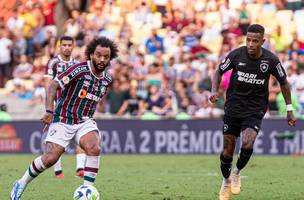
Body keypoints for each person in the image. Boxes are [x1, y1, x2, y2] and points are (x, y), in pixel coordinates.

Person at [10, 36, 118, 200]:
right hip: (62, 119)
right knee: (51, 158)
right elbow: (53, 84)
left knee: (94, 148)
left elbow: (96, 99)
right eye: (98, 55)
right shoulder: (79, 70)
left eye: (106, 56)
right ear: (91, 55)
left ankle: (87, 191)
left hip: (84, 121)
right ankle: (21, 182)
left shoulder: (107, 79)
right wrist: (49, 110)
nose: (102, 59)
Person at [209, 24, 296, 200]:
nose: (250, 44)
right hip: (233, 107)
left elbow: (284, 83)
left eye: (255, 41)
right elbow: (218, 71)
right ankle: (226, 181)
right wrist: (214, 90)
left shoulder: (271, 60)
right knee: (227, 151)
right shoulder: (236, 55)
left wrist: (289, 109)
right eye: (248, 40)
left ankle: (237, 172)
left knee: (248, 144)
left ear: (262, 42)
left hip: (254, 109)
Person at [44, 35, 86, 179]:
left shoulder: (77, 64)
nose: (67, 47)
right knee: (57, 141)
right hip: (58, 107)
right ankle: (58, 171)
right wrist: (50, 106)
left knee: (80, 135)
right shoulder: (53, 63)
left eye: (69, 45)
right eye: (64, 45)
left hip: (74, 107)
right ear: (59, 46)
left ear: (73, 46)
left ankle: (80, 169)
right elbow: (48, 85)